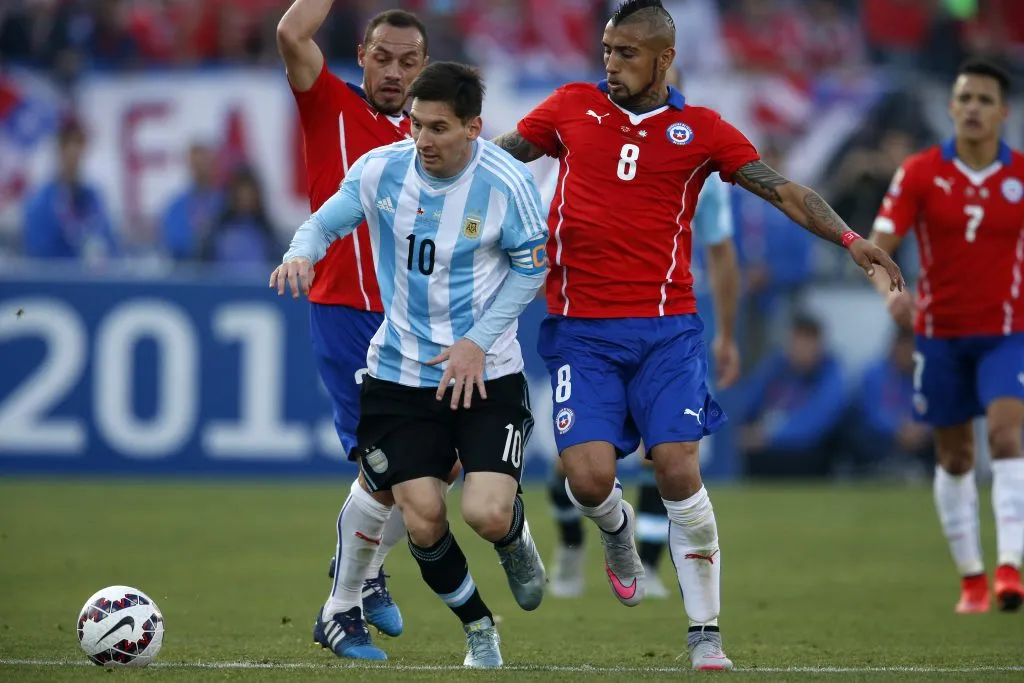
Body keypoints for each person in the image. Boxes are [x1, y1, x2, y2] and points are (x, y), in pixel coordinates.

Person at [492, 0, 902, 670]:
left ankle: (705, 632)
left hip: (666, 332)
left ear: (665, 58)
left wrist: (852, 239)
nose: (611, 63)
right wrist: (432, 169)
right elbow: (497, 159)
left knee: (679, 466)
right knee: (588, 479)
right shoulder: (569, 107)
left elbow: (783, 191)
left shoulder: (702, 130)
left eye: (626, 52)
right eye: (607, 49)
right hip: (580, 331)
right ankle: (617, 528)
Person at [273, 62, 549, 668]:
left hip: (486, 374)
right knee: (422, 520)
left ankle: (512, 536)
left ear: (473, 127)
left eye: (438, 128)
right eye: (417, 125)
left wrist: (477, 341)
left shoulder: (507, 183)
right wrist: (301, 253)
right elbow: (326, 221)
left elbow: (532, 269)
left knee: (484, 513)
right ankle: (479, 629)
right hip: (400, 374)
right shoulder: (381, 169)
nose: (423, 139)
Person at [277, 2, 452, 659]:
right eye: (383, 58)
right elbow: (290, 33)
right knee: (391, 468)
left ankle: (364, 563)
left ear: (425, 67)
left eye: (409, 61)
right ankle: (344, 604)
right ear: (361, 57)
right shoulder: (328, 104)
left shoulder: (432, 135)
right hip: (348, 315)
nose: (394, 72)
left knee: (446, 462)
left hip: (415, 322)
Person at [868, 58, 1024, 614]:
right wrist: (892, 295)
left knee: (1006, 436)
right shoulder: (920, 172)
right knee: (955, 458)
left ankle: (1010, 566)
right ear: (952, 107)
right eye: (966, 98)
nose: (974, 108)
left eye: (985, 100)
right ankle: (972, 577)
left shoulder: (1020, 175)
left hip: (1007, 333)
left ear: (1003, 112)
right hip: (939, 337)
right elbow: (877, 248)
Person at [548, 165, 741, 600]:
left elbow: (721, 250)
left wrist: (727, 334)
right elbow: (541, 229)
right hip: (593, 329)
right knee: (578, 468)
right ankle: (571, 543)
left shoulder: (698, 167)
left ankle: (649, 564)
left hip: (664, 328)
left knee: (665, 453)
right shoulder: (586, 159)